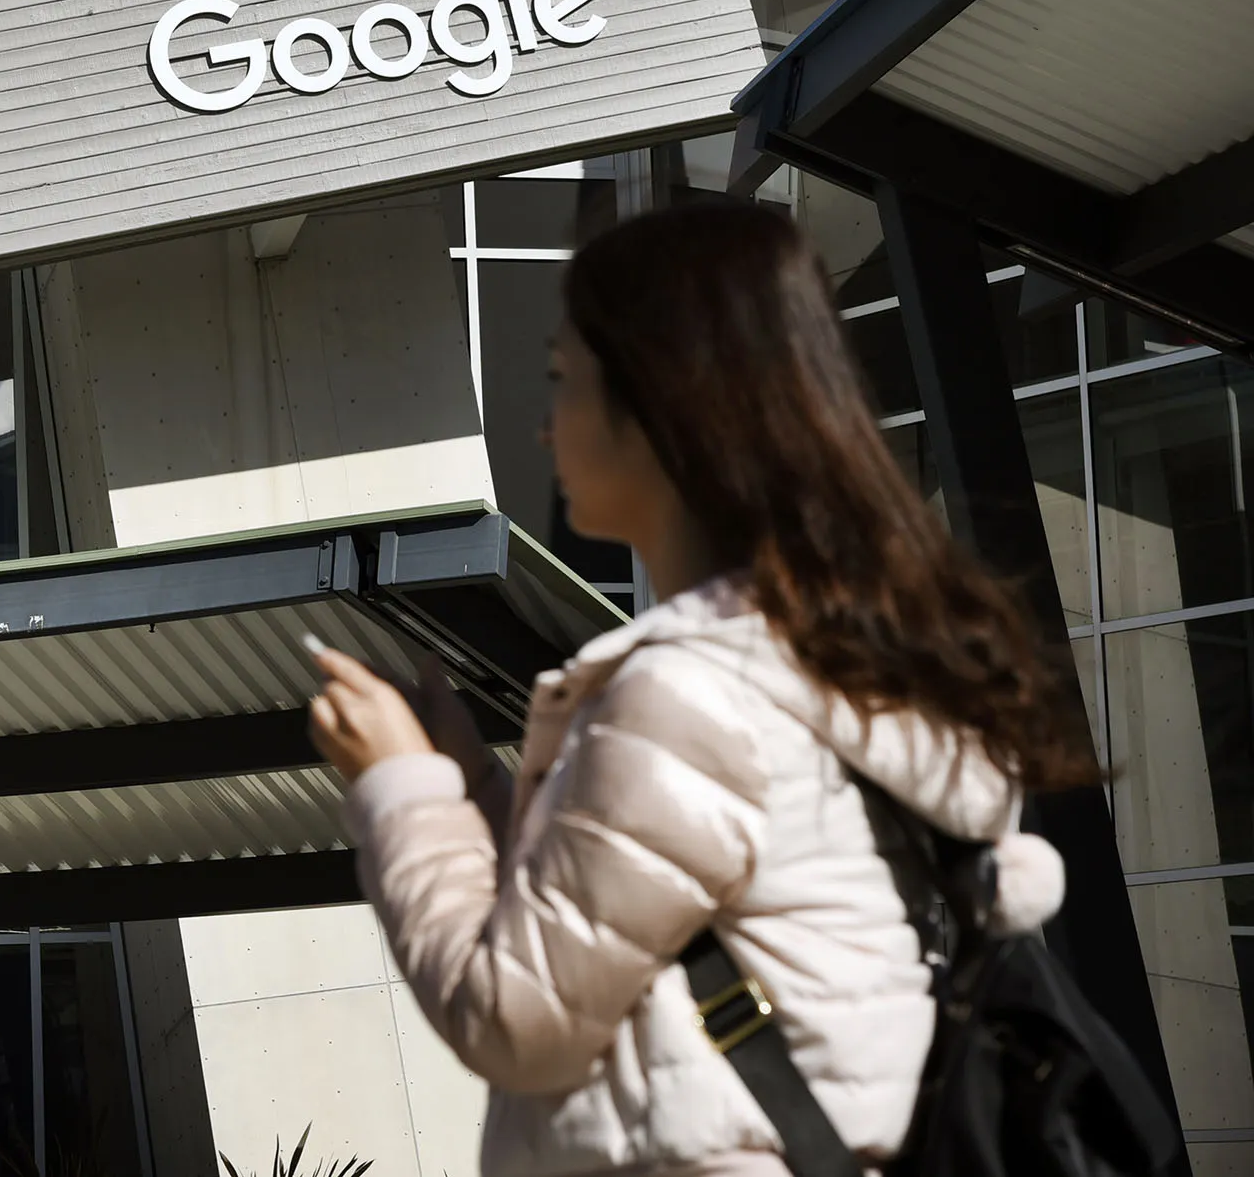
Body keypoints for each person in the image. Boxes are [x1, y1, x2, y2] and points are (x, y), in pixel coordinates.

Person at [306, 203, 1092, 1177]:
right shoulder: (837, 664)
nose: (545, 425)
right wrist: (470, 791)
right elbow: (635, 914)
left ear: (662, 406)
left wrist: (400, 792)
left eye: (562, 379)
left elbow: (514, 1017)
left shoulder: (687, 697)